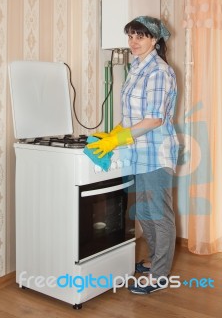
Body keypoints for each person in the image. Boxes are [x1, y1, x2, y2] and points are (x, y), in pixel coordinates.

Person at [87, 16, 179, 295]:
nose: (133, 42)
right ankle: (154, 261)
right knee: (145, 213)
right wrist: (114, 133)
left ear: (154, 40)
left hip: (156, 153)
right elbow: (132, 115)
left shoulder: (159, 71)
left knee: (159, 214)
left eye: (140, 36)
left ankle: (160, 275)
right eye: (130, 36)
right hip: (137, 152)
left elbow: (153, 119)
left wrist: (119, 138)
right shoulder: (136, 67)